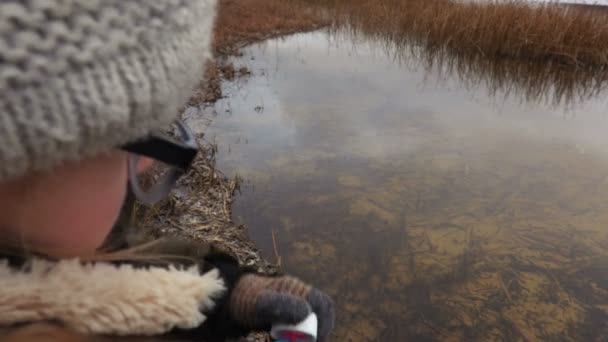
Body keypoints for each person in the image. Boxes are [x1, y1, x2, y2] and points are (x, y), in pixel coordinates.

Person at [0, 1, 334, 341]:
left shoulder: (30, 265)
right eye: (142, 137)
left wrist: (226, 292)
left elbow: (99, 282)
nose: (146, 164)